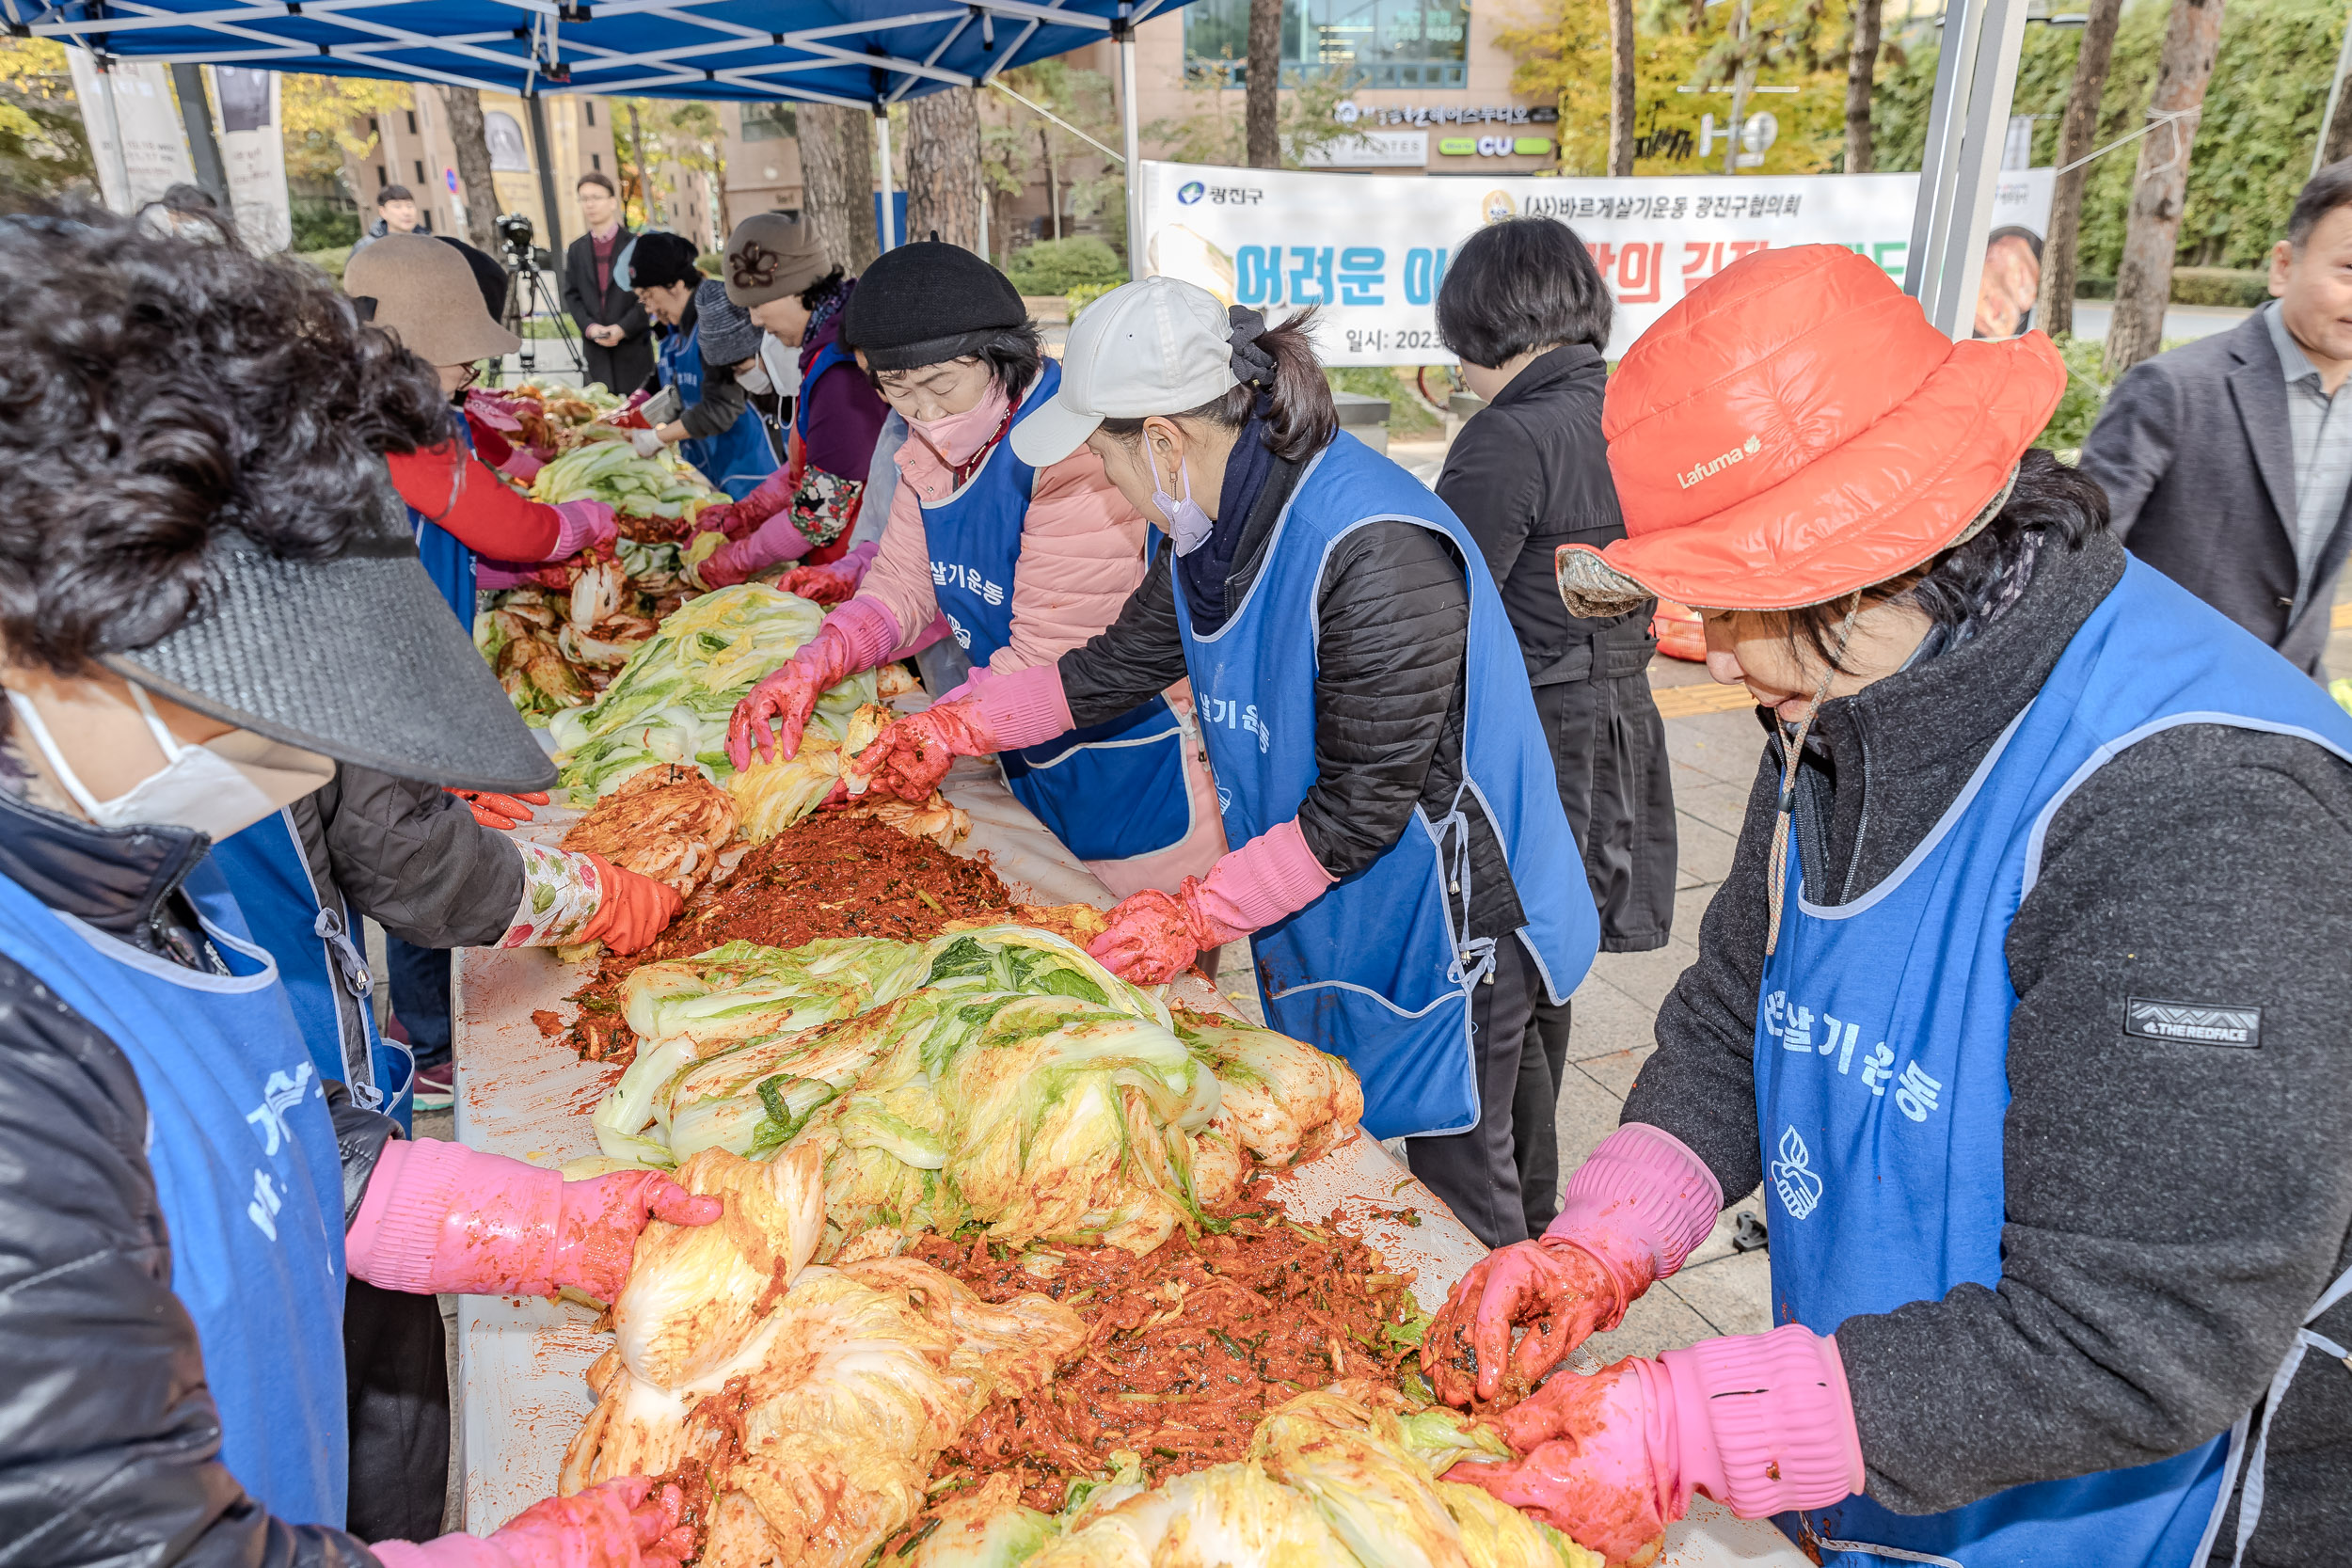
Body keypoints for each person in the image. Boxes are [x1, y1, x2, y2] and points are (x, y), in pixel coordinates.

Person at [1424, 245, 2352, 1568]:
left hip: (2136, 1510)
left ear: (1895, 550)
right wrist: (1603, 1240)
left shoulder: (2208, 807)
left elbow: (2140, 1331)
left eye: (1751, 607)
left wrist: (1696, 1420)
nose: (1725, 656)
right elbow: (1741, 1009)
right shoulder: (1849, 689)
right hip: (1881, 1447)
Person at [0, 198, 703, 1566]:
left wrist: (539, 1223)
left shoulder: (132, 871)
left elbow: (242, 1128)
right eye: (252, 705)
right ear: (39, 645)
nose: (302, 758)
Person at [843, 277, 1601, 1245]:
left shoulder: (1374, 549)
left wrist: (1196, 910)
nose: (1110, 489)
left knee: (1464, 1184)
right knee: (1360, 1146)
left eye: (1101, 461)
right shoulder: (1203, 521)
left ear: (1161, 439)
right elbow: (1112, 667)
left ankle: (1507, 1358)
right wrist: (954, 728)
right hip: (1334, 884)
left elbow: (1359, 810)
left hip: (1451, 910)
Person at [725, 244, 1228, 904]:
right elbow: (904, 585)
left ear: (1001, 357)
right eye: (898, 393)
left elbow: (1054, 654)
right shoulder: (932, 443)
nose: (926, 415)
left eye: (940, 387)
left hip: (1131, 761)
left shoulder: (1075, 448)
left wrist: (936, 728)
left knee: (1151, 961)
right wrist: (820, 659)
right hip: (1022, 744)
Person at [1433, 216, 1677, 1238]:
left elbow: (1436, 609)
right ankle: (1530, 1210)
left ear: (1483, 322)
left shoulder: (1507, 435)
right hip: (1616, 722)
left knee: (1498, 984)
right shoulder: (1634, 414)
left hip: (1528, 737)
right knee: (1546, 969)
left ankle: (1511, 1226)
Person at [2080, 160, 2352, 677]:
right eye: (2350, 268)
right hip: (2152, 692)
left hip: (2285, 702)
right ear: (2284, 266)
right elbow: (2076, 565)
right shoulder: (2174, 389)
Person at [683, 212, 892, 593]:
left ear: (795, 289)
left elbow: (820, 513)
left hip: (865, 568)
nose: (756, 320)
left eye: (758, 304)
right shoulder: (823, 345)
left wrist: (742, 557)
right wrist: (748, 511)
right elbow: (814, 460)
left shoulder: (842, 367)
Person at [625, 230, 781, 499]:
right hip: (716, 469)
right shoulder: (682, 326)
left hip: (752, 471)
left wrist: (657, 439)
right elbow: (679, 391)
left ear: (674, 284)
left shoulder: (716, 319)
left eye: (647, 295)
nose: (648, 308)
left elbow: (720, 409)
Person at [563, 170, 654, 394]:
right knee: (600, 417)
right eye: (584, 199)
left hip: (633, 349)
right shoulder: (576, 249)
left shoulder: (636, 244)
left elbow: (650, 294)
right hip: (596, 353)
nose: (590, 204)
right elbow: (572, 295)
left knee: (637, 416)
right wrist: (590, 328)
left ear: (612, 202)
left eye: (596, 197)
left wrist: (623, 328)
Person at [355, 182, 421, 249]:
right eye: (397, 206)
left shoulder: (427, 242)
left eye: (409, 206)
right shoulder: (368, 246)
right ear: (382, 212)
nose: (406, 212)